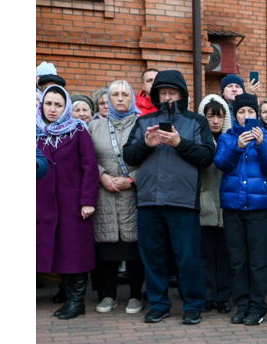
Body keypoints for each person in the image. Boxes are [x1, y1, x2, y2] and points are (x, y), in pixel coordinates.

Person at [122, 69, 215, 325]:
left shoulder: (197, 122)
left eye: (172, 92)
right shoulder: (143, 122)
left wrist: (178, 142)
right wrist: (146, 145)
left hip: (183, 202)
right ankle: (159, 304)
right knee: (153, 257)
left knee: (188, 258)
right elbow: (128, 156)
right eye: (162, 92)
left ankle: (193, 304)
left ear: (182, 94)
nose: (167, 97)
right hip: (149, 202)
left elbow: (207, 157)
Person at [214, 93, 267, 326]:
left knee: (259, 260)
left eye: (250, 112)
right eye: (242, 112)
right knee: (237, 259)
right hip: (233, 207)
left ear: (257, 115)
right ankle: (242, 304)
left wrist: (261, 144)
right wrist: (237, 146)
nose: (246, 116)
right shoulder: (226, 138)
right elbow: (221, 163)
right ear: (236, 115)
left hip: (260, 208)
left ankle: (257, 306)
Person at [37, 85, 99, 320]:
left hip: (72, 203)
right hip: (43, 203)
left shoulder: (77, 130)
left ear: (66, 108)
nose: (52, 109)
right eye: (48, 104)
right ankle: (66, 296)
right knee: (58, 252)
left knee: (74, 253)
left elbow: (89, 167)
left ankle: (77, 301)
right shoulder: (34, 131)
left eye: (58, 105)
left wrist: (87, 201)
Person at [88, 80, 146, 315]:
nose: (120, 98)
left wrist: (132, 179)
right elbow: (88, 158)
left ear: (132, 98)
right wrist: (102, 177)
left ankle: (134, 296)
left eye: (124, 94)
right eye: (115, 95)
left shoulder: (142, 124)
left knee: (134, 249)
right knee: (106, 249)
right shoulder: (95, 126)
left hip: (133, 194)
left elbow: (151, 159)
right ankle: (108, 295)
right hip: (104, 194)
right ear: (108, 99)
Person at [196, 94, 233, 314]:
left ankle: (223, 297)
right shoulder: (199, 141)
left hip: (226, 205)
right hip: (205, 203)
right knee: (206, 255)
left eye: (220, 116)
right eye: (211, 116)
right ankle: (209, 296)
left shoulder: (230, 140)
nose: (216, 121)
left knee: (225, 255)